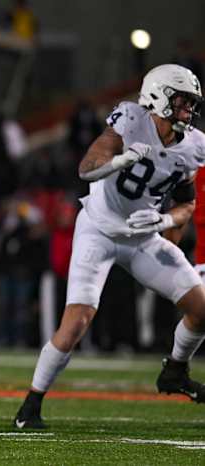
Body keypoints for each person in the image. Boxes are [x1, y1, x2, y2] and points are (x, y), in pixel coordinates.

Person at [14, 64, 205, 429]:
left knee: (201, 308)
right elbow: (87, 168)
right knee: (75, 324)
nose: (187, 109)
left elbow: (187, 203)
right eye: (181, 100)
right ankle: (30, 406)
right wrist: (118, 161)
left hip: (142, 236)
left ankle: (175, 372)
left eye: (190, 102)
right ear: (157, 96)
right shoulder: (131, 119)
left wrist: (164, 221)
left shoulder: (194, 145)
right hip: (99, 230)